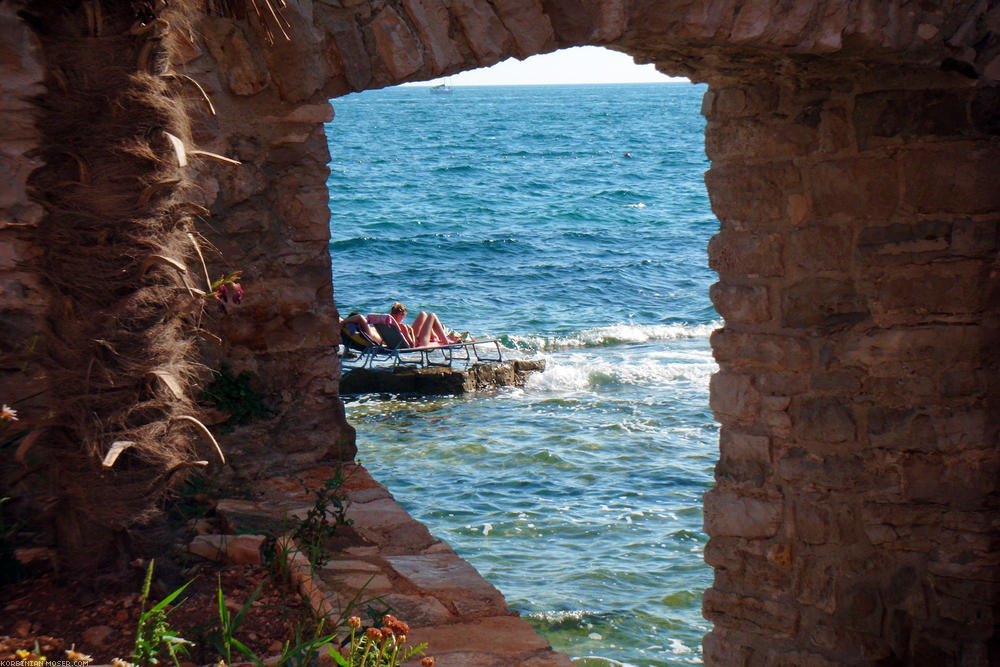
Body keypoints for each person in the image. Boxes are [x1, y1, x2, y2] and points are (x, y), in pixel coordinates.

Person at [367, 302, 458, 347]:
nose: (403, 318)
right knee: (432, 316)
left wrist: (410, 331)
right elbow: (412, 344)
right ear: (398, 314)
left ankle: (434, 336)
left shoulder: (388, 324)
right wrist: (409, 331)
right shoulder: (401, 326)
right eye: (402, 316)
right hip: (419, 342)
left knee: (423, 314)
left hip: (403, 341)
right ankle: (445, 341)